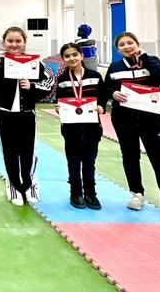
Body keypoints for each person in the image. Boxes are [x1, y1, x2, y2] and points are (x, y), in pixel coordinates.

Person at [104, 32, 160, 219]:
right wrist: (113, 94)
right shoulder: (115, 67)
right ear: (118, 49)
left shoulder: (152, 61)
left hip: (150, 119)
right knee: (130, 156)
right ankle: (137, 194)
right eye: (122, 45)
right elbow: (106, 87)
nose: (127, 46)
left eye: (130, 42)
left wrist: (145, 58)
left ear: (137, 43)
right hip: (124, 118)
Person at [0, 26, 54, 207]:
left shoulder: (34, 62)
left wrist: (32, 86)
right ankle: (14, 184)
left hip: (27, 114)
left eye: (18, 41)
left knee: (28, 151)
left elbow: (50, 81)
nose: (14, 45)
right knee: (9, 151)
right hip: (3, 113)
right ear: (3, 42)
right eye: (10, 41)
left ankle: (30, 184)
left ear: (24, 42)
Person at [55, 43, 106, 209]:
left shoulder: (95, 76)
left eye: (75, 54)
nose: (72, 58)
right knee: (73, 162)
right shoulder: (62, 79)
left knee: (89, 162)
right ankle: (75, 193)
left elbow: (102, 96)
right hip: (71, 128)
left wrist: (101, 107)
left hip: (92, 127)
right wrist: (58, 107)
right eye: (67, 56)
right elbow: (59, 99)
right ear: (63, 59)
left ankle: (91, 193)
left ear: (81, 56)